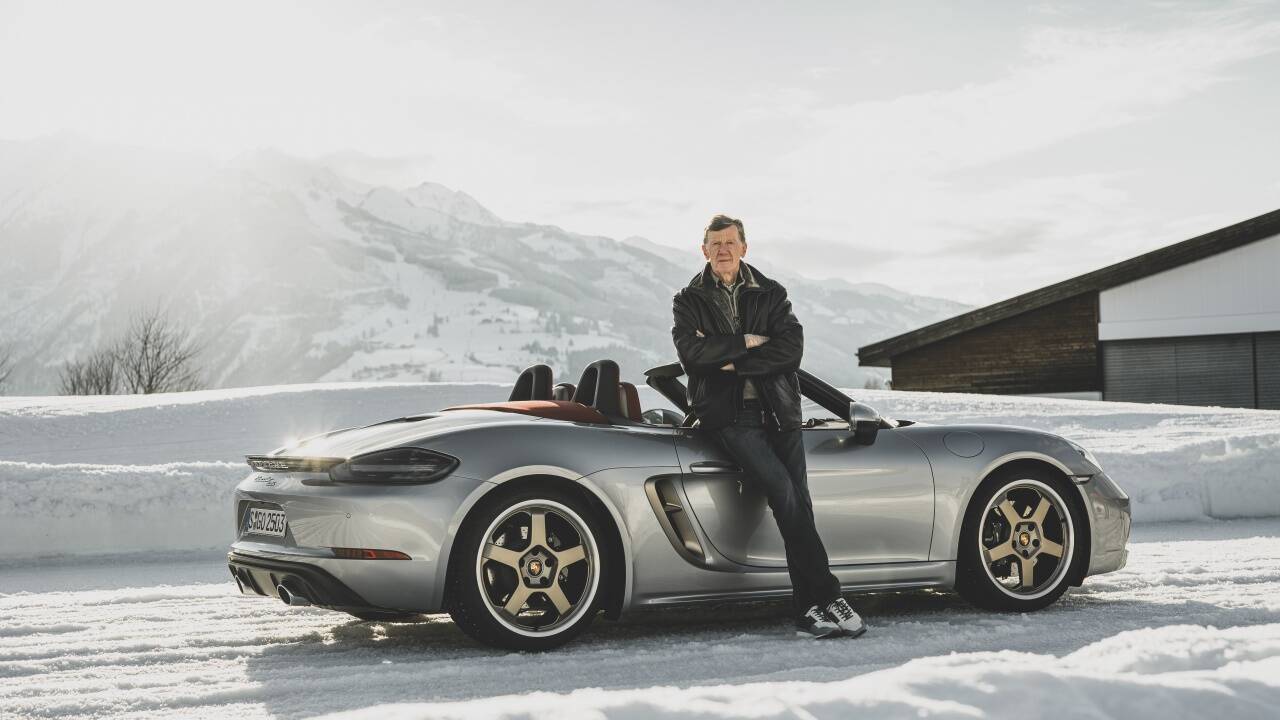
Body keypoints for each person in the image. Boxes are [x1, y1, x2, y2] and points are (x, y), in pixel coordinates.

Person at [671, 214, 867, 639]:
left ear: (744, 247)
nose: (723, 250)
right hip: (729, 418)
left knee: (799, 503)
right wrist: (749, 341)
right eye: (714, 243)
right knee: (784, 494)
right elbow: (692, 356)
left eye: (730, 242)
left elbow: (790, 351)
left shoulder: (772, 294)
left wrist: (727, 359)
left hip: (780, 413)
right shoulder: (688, 300)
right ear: (702, 250)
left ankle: (808, 610)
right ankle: (829, 595)